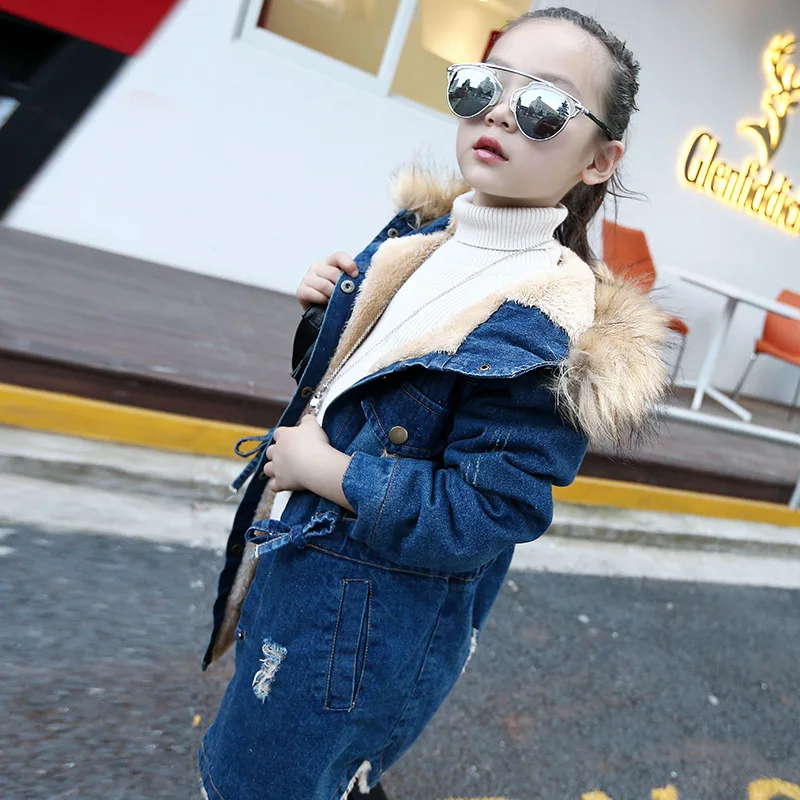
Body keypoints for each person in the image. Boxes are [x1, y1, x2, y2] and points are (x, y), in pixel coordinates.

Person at [198, 7, 669, 799]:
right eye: (484, 84)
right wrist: (325, 315)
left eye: (544, 104)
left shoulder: (550, 321)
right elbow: (352, 390)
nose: (500, 112)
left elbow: (484, 513)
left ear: (600, 160)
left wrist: (325, 471)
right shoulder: (420, 239)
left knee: (263, 781)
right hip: (304, 573)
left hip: (358, 625)